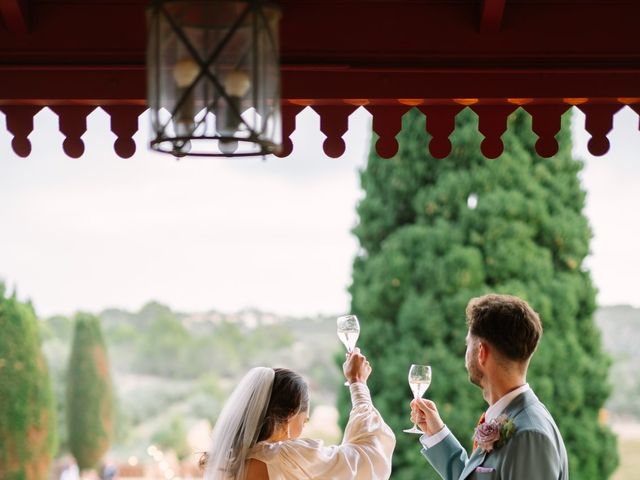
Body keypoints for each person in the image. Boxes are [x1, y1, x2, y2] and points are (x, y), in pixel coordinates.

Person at [410, 294, 568, 479]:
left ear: (481, 353)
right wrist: (437, 434)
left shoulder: (529, 437)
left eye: (468, 344)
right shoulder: (512, 418)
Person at [202, 347, 395, 479]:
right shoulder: (284, 458)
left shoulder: (227, 461)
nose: (302, 431)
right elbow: (368, 457)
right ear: (290, 415)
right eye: (304, 421)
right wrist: (358, 383)